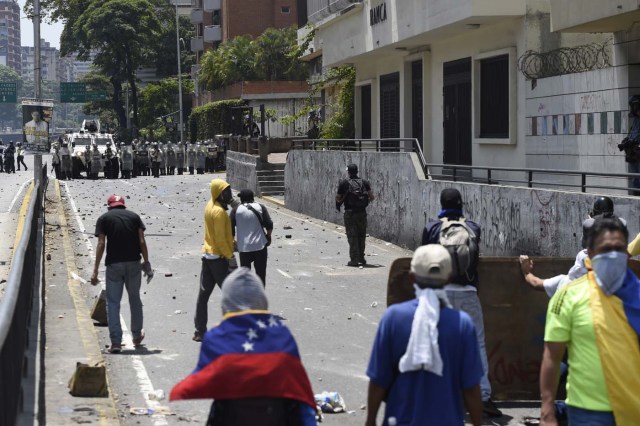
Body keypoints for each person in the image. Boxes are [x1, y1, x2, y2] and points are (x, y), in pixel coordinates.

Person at [171, 268, 317, 426]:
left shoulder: (217, 336)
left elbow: (201, 381)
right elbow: (299, 389)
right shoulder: (281, 334)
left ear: (226, 303)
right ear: (262, 300)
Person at [365, 245, 483, 426]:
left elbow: (378, 380)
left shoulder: (393, 318)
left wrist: (370, 420)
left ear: (412, 278)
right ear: (449, 278)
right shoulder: (462, 324)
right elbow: (471, 388)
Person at [540, 217, 640, 425]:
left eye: (619, 248)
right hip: (587, 413)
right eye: (606, 248)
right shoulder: (568, 295)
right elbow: (552, 356)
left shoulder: (637, 295)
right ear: (591, 253)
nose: (613, 254)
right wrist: (547, 410)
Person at [421, 187, 501, 418]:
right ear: (461, 203)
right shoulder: (473, 228)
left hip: (441, 294)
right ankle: (484, 396)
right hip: (468, 293)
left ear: (441, 203)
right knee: (477, 345)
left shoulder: (432, 228)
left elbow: (422, 259)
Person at [90, 195, 152, 354]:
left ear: (109, 207)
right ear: (123, 206)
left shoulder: (104, 219)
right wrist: (146, 262)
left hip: (114, 265)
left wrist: (95, 270)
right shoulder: (134, 217)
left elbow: (101, 243)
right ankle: (137, 336)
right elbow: (142, 241)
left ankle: (116, 342)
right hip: (133, 264)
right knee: (135, 299)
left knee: (113, 303)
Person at [193, 179, 235, 343]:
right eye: (226, 192)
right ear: (218, 193)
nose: (229, 195)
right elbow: (219, 239)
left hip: (208, 256)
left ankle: (199, 331)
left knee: (203, 296)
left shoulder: (210, 205)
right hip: (219, 258)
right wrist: (230, 256)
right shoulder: (219, 212)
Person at [230, 189, 273, 285]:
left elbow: (230, 229)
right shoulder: (260, 207)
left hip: (244, 248)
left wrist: (233, 242)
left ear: (241, 199)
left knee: (245, 277)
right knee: (261, 274)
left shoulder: (236, 210)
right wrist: (268, 236)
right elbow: (269, 224)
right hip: (260, 246)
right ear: (252, 197)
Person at [335, 164, 375, 267]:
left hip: (350, 213)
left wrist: (341, 201)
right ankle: (361, 258)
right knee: (361, 236)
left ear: (348, 172)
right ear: (357, 171)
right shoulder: (364, 182)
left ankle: (354, 260)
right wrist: (363, 203)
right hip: (362, 213)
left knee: (352, 236)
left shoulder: (344, 183)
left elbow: (338, 198)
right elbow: (371, 197)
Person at [619, 95, 640, 195]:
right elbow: (633, 133)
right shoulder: (636, 120)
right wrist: (626, 141)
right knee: (634, 178)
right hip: (633, 153)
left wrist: (634, 142)